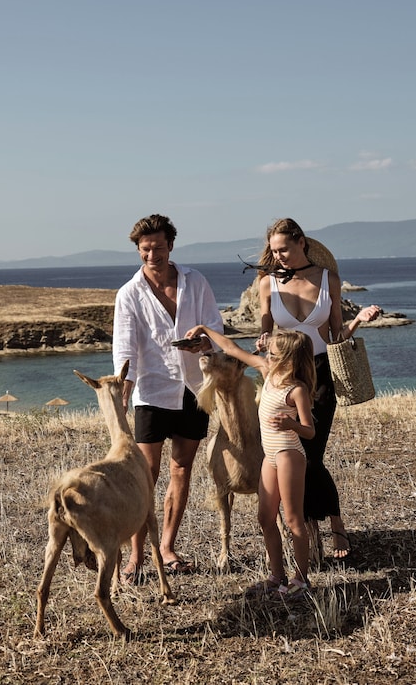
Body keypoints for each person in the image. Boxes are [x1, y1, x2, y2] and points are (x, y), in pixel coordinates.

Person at [255, 217, 381, 560]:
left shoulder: (328, 279)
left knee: (311, 455)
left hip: (321, 374)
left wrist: (358, 320)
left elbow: (336, 335)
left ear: (301, 243)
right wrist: (264, 341)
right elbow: (266, 332)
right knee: (293, 457)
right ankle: (310, 530)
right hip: (284, 378)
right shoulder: (267, 284)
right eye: (273, 251)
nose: (278, 256)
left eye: (284, 249)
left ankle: (335, 524)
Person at [113, 214, 224, 583]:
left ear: (170, 245)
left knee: (181, 470)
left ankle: (167, 548)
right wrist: (124, 385)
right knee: (145, 476)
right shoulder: (129, 293)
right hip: (151, 391)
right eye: (145, 249)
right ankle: (135, 556)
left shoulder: (196, 281)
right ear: (138, 250)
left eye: (158, 248)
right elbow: (125, 345)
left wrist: (203, 341)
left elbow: (215, 325)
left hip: (195, 389)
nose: (152, 255)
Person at [185, 324, 318, 597]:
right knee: (265, 518)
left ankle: (301, 580)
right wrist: (205, 330)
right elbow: (230, 348)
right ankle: (277, 576)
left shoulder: (297, 390)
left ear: (288, 360)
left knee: (293, 520)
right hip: (270, 457)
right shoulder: (267, 371)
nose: (267, 356)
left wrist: (291, 424)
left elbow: (310, 431)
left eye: (273, 354)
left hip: (289, 455)